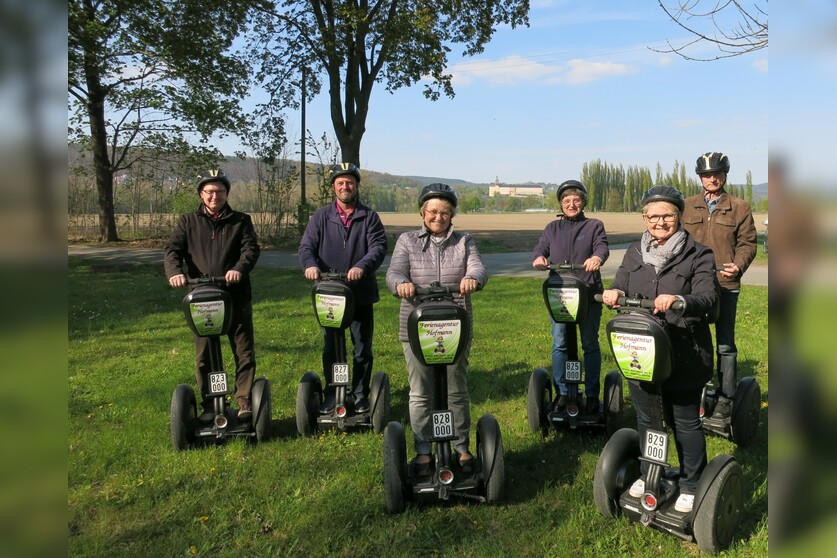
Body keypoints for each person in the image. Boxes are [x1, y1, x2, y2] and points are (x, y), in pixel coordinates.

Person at [601, 185, 718, 513]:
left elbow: (708, 297)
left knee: (684, 421)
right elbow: (621, 282)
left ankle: (692, 482)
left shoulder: (699, 254)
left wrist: (679, 300)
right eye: (653, 216)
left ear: (679, 216)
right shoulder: (634, 252)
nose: (660, 222)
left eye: (667, 215)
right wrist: (612, 292)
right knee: (648, 416)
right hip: (641, 351)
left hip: (684, 351)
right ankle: (652, 470)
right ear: (644, 218)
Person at [386, 183, 487, 475]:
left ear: (452, 214)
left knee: (456, 389)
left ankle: (460, 447)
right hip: (416, 326)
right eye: (432, 211)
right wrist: (400, 284)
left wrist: (472, 279)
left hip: (455, 325)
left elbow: (478, 268)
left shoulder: (464, 241)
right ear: (422, 212)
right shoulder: (407, 241)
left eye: (445, 212)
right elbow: (394, 272)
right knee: (420, 391)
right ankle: (422, 450)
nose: (438, 217)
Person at [164, 170, 261, 421]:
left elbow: (250, 249)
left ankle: (243, 401)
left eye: (219, 191)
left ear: (226, 194)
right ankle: (211, 403)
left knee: (243, 350)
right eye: (209, 191)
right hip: (201, 297)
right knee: (204, 354)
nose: (214, 196)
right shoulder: (188, 221)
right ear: (201, 194)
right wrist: (175, 272)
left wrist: (238, 269)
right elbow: (173, 250)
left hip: (235, 295)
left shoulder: (240, 220)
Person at [299, 162, 387, 414]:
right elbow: (306, 247)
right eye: (340, 182)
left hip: (360, 293)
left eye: (349, 182)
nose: (345, 186)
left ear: (356, 185)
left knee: (361, 347)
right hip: (329, 294)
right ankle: (335, 391)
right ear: (333, 187)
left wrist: (362, 266)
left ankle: (359, 393)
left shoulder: (368, 217)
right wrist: (310, 265)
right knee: (332, 346)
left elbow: (378, 247)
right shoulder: (321, 217)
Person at [682, 152, 757, 416]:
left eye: (716, 174)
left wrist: (738, 264)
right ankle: (696, 389)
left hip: (725, 284)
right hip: (693, 286)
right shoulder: (687, 206)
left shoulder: (739, 207)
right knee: (692, 338)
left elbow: (748, 242)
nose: (711, 179)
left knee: (725, 343)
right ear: (700, 178)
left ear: (724, 176)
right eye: (706, 175)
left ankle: (726, 397)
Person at [532, 180, 609, 414]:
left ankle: (593, 394)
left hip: (587, 292)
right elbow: (540, 249)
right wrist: (539, 259)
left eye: (576, 200)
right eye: (567, 201)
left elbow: (602, 247)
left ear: (583, 202)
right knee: (560, 343)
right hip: (560, 294)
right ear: (561, 204)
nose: (571, 204)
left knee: (589, 344)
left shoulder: (594, 225)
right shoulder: (552, 228)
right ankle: (564, 392)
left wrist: (597, 258)